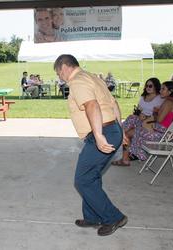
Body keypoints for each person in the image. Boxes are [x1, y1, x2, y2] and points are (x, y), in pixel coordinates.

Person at [53, 54, 127, 236]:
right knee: (91, 176)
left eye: (58, 72)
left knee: (83, 179)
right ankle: (92, 217)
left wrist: (99, 135)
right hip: (111, 129)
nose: (59, 77)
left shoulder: (77, 81)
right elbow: (113, 103)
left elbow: (92, 106)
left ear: (64, 67)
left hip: (102, 132)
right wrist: (122, 131)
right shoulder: (92, 76)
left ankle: (113, 217)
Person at [113, 81, 173, 164]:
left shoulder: (168, 102)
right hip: (162, 130)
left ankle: (126, 157)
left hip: (162, 133)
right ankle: (124, 146)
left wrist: (155, 112)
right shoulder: (170, 101)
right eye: (161, 88)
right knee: (133, 119)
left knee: (128, 133)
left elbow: (159, 120)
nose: (160, 91)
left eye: (163, 89)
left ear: (170, 91)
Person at [112, 78, 163, 165]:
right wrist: (138, 114)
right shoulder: (143, 97)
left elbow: (158, 117)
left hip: (149, 124)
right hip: (139, 119)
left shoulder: (159, 99)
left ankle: (124, 157)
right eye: (146, 85)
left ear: (156, 87)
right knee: (130, 121)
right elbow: (138, 110)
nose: (148, 87)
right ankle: (120, 137)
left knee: (127, 134)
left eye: (150, 86)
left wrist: (146, 117)